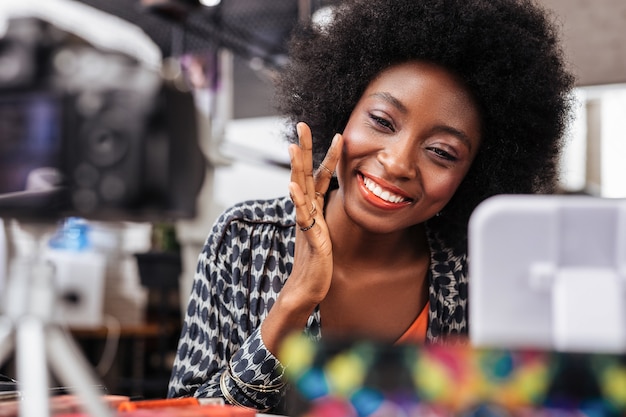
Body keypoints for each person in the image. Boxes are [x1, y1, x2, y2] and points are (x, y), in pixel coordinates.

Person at [167, 0, 574, 412]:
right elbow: (181, 411)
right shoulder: (245, 239)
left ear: (475, 174)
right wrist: (293, 301)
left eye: (441, 152)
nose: (397, 162)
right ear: (343, 111)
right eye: (381, 121)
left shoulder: (473, 276)